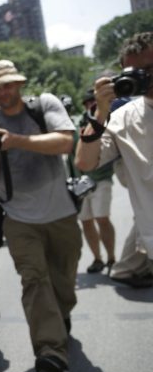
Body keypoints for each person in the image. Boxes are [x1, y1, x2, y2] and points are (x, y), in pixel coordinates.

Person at [0, 60, 81, 372]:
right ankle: (50, 351)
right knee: (35, 280)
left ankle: (60, 317)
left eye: (7, 85)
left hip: (60, 212)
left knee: (63, 282)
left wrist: (17, 140)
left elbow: (65, 142)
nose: (3, 92)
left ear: (18, 84)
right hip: (18, 218)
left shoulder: (43, 105)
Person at [75, 31, 153, 285]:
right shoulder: (122, 118)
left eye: (149, 68)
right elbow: (85, 163)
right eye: (136, 71)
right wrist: (99, 113)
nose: (145, 76)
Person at [75, 89, 116, 274]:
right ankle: (98, 259)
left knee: (102, 218)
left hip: (102, 178)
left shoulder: (109, 119)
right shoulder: (77, 123)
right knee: (86, 221)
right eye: (87, 102)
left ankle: (111, 258)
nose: (90, 104)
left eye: (93, 101)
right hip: (81, 182)